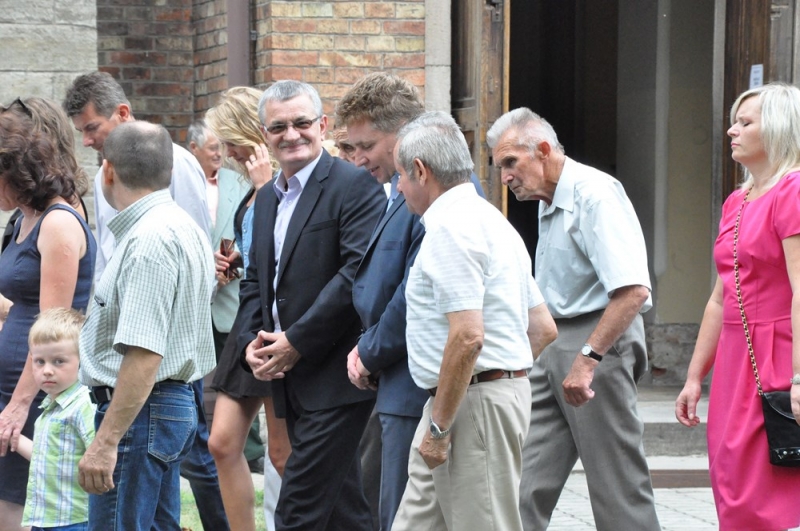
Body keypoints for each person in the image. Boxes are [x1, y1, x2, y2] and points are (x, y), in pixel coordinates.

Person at [63, 72, 228, 531]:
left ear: (109, 172)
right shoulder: (177, 227)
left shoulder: (150, 241)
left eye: (91, 132)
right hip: (157, 407)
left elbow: (144, 351)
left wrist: (105, 442)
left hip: (142, 408)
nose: (88, 142)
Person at [487, 108, 660, 531]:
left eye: (510, 162)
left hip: (597, 341)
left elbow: (633, 290)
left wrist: (587, 360)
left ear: (543, 151)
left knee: (616, 486)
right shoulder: (548, 199)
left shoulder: (595, 194)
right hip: (554, 343)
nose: (505, 177)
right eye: (500, 166)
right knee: (520, 482)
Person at [389, 111, 556, 531]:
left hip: (468, 404)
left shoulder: (451, 228)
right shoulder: (491, 220)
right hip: (468, 398)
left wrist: (447, 421)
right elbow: (542, 328)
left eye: (400, 175)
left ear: (421, 171)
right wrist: (503, 375)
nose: (398, 187)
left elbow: (467, 336)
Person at [240, 80, 385, 531]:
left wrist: (296, 342)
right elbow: (256, 280)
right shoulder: (266, 197)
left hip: (337, 377)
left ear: (322, 125)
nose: (291, 134)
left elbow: (355, 274)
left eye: (301, 123)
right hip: (289, 379)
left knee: (297, 510)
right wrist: (250, 344)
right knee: (345, 512)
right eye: (278, 126)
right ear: (264, 134)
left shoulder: (354, 185)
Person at [676, 82, 800, 530]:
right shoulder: (737, 200)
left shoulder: (793, 190)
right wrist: (695, 376)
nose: (731, 130)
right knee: (730, 476)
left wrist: (799, 377)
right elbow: (720, 296)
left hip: (779, 351)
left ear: (780, 129)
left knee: (766, 486)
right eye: (734, 121)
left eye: (745, 122)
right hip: (736, 357)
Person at [335, 72, 431, 531]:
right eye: (351, 148)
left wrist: (368, 352)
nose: (358, 159)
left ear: (403, 133)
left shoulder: (435, 191)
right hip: (390, 381)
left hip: (412, 383)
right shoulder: (395, 190)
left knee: (400, 515)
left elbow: (415, 294)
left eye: (367, 146)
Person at [0, 104, 96, 531]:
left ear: (17, 171)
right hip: (10, 383)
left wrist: (19, 405)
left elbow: (51, 329)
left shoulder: (57, 224)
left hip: (35, 387)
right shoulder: (24, 218)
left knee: (19, 508)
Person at [204, 86, 287, 531]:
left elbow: (290, 243)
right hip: (246, 317)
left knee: (282, 453)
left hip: (273, 323)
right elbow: (262, 247)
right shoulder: (254, 185)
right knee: (222, 443)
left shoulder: (279, 181)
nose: (227, 153)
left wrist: (264, 185)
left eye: (230, 142)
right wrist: (239, 257)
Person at [15, 308, 95, 531]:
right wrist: (15, 438)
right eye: (39, 362)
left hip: (75, 520)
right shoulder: (49, 408)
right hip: (45, 519)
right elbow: (45, 456)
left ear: (82, 360)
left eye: (58, 361)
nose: (47, 370)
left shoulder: (84, 406)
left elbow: (100, 459)